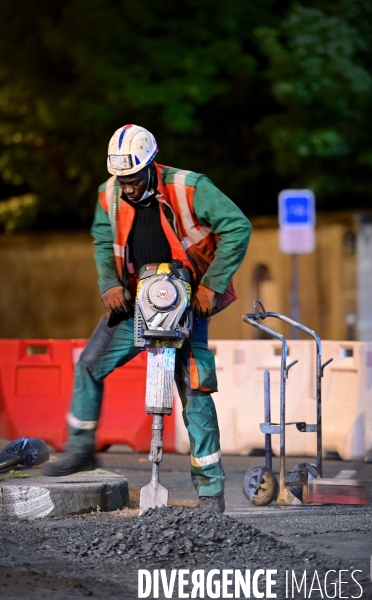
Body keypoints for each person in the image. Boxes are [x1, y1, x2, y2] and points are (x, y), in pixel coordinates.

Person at [43, 124, 251, 513]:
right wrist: (109, 284)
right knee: (89, 364)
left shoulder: (190, 186)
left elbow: (237, 226)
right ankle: (80, 450)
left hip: (187, 298)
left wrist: (211, 286)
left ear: (151, 165)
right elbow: (104, 242)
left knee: (195, 390)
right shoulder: (110, 194)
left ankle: (210, 494)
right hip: (138, 298)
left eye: (134, 179)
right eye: (121, 179)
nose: (127, 187)